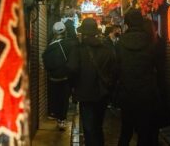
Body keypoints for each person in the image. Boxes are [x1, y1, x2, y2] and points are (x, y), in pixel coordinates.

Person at [115, 9, 161, 146]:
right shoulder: (151, 41)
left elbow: (116, 69)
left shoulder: (119, 43)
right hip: (146, 93)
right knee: (144, 131)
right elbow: (158, 68)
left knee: (126, 131)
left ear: (127, 23)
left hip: (126, 92)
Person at [67, 18, 115, 146]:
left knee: (88, 128)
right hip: (103, 93)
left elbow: (72, 68)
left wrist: (73, 86)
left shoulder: (78, 50)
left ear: (83, 33)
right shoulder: (106, 49)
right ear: (96, 33)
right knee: (98, 126)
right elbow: (114, 69)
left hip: (85, 94)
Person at [42, 21, 75, 130]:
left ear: (54, 32)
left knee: (55, 97)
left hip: (53, 78)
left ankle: (56, 116)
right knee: (64, 98)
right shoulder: (69, 45)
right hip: (65, 78)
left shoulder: (49, 47)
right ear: (65, 31)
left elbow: (46, 63)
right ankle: (62, 119)